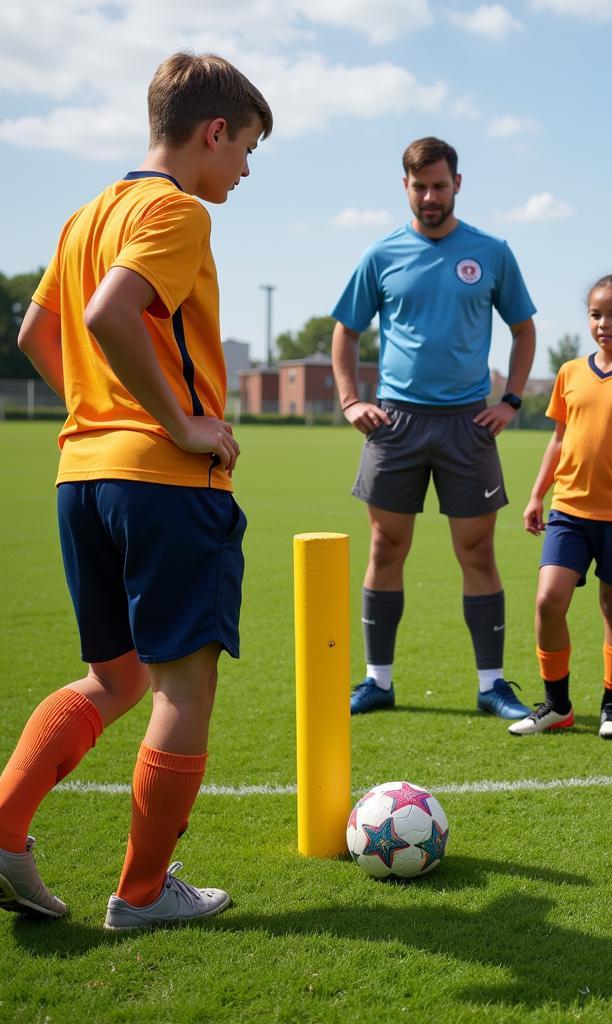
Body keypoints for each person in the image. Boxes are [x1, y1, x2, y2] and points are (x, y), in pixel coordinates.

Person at [0, 53, 271, 930]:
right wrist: (177, 423)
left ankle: (3, 828)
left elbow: (37, 330)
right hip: (162, 483)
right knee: (180, 692)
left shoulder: (88, 214)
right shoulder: (174, 208)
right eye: (245, 150)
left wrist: (99, 411)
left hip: (83, 475)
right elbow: (106, 315)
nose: (243, 170)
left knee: (111, 677)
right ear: (212, 130)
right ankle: (144, 895)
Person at [332, 137, 537, 720]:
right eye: (419, 187)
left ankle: (493, 685)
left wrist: (511, 400)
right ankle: (378, 681)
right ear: (405, 187)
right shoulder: (381, 254)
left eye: (440, 186)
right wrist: (350, 402)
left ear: (457, 184)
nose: (430, 197)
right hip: (395, 422)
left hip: (468, 424)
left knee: (477, 551)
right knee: (385, 545)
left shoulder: (492, 252)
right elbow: (346, 330)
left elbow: (524, 329)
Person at [509, 266, 612, 739]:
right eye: (595, 314)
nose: (604, 324)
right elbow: (559, 440)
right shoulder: (569, 373)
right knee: (548, 600)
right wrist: (536, 494)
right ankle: (557, 705)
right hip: (569, 511)